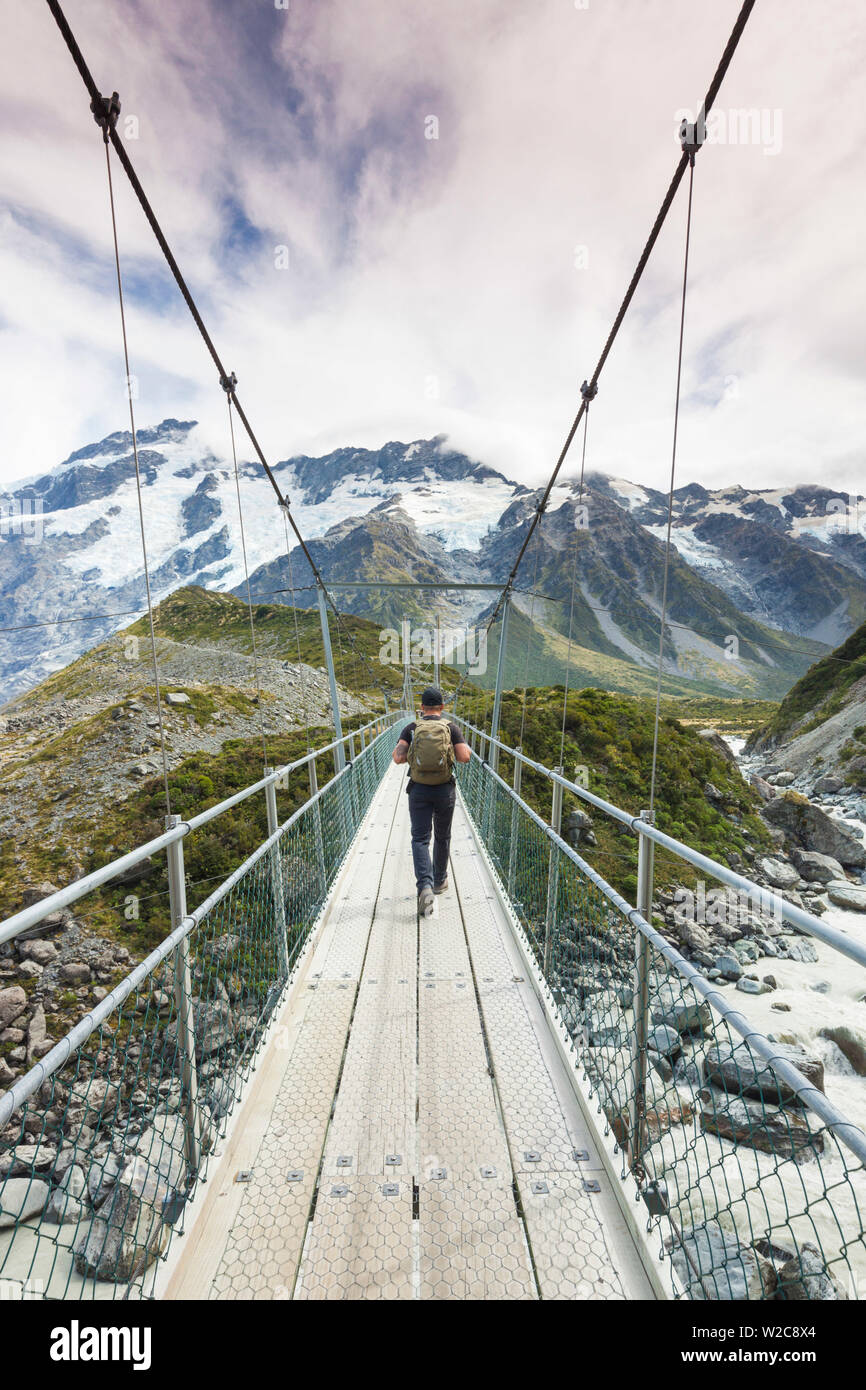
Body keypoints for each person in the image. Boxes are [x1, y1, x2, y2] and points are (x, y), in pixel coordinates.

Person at [392, 686, 471, 917]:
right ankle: (439, 881)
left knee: (420, 839)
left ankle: (424, 886)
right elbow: (464, 757)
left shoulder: (412, 727)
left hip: (419, 791)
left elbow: (397, 758)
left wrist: (414, 754)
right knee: (442, 836)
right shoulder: (451, 728)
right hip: (444, 790)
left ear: (422, 707)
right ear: (443, 707)